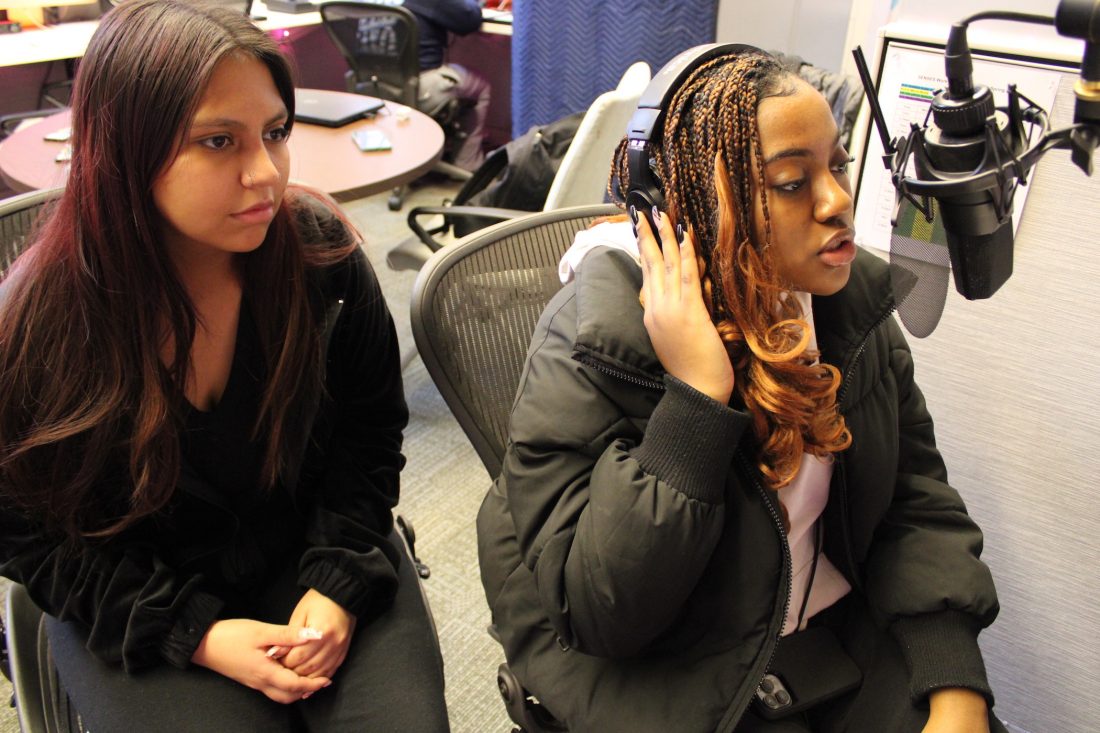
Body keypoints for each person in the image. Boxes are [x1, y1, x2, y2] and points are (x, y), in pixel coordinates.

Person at [477, 46, 1004, 732]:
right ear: (689, 199)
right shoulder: (594, 338)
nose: (836, 201)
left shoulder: (851, 304)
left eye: (838, 165)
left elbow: (914, 499)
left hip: (826, 632)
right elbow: (603, 608)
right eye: (792, 181)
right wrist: (695, 400)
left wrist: (952, 677)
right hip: (673, 668)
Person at [0, 2, 448, 731]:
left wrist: (338, 581)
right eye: (218, 141)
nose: (265, 174)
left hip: (314, 553)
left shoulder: (320, 260)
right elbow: (30, 536)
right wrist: (194, 633)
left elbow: (368, 441)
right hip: (140, 594)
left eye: (275, 133)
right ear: (125, 151)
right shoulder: (37, 327)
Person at [402, 0, 492, 170]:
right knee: (481, 86)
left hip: (373, 90)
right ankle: (467, 164)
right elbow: (469, 19)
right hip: (420, 88)